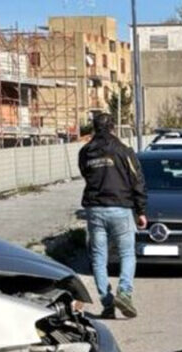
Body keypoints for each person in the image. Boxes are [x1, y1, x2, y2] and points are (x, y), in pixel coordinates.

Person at [78, 112, 146, 318]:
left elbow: (85, 174)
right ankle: (124, 292)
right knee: (127, 254)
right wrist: (141, 210)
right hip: (120, 207)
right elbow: (137, 180)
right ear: (113, 128)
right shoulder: (123, 150)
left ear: (94, 128)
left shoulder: (85, 152)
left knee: (99, 258)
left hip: (95, 209)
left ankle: (107, 304)